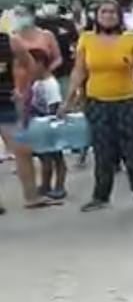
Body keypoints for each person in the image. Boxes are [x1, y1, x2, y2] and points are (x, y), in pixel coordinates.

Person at [60, 0, 133, 212]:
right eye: (104, 12)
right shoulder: (87, 39)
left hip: (128, 101)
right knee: (102, 150)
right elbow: (79, 71)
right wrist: (68, 99)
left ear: (119, 16)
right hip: (97, 102)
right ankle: (101, 196)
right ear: (96, 15)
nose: (108, 15)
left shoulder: (131, 39)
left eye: (113, 12)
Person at [0, 31, 56, 212]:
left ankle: (31, 197)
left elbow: (29, 64)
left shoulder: (9, 41)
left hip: (6, 104)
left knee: (22, 149)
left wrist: (23, 89)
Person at [23, 49, 66, 199]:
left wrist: (51, 126)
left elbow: (54, 106)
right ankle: (46, 185)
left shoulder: (50, 84)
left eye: (30, 64)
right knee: (44, 158)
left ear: (40, 64)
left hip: (49, 126)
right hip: (39, 126)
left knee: (57, 159)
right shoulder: (37, 82)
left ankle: (60, 186)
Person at [35, 0, 80, 96]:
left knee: (64, 96)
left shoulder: (67, 23)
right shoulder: (36, 23)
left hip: (64, 68)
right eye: (47, 3)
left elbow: (76, 42)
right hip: (40, 70)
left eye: (53, 3)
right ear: (42, 6)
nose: (50, 6)